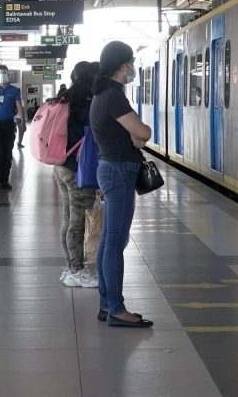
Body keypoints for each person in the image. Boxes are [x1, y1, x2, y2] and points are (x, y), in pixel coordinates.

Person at [90, 41, 153, 328]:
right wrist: (141, 134)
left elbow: (133, 136)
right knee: (115, 242)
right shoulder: (114, 97)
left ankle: (107, 303)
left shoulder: (101, 95)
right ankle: (116, 308)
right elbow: (142, 133)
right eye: (129, 62)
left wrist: (135, 138)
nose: (132, 67)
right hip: (118, 171)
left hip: (110, 168)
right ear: (120, 65)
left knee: (109, 240)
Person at [56, 61, 101, 289]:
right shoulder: (87, 101)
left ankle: (70, 267)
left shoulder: (66, 95)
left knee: (68, 219)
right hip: (77, 169)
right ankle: (77, 269)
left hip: (61, 166)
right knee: (77, 221)